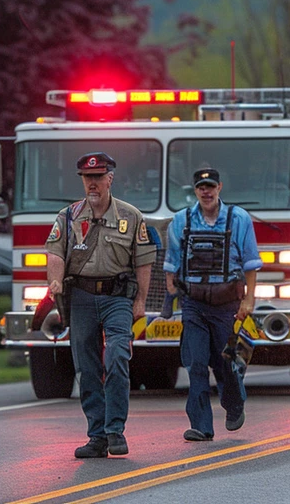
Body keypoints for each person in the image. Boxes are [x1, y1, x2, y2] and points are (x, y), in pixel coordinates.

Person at [45, 152, 156, 459]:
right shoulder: (68, 216)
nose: (92, 183)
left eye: (98, 177)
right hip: (80, 298)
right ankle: (97, 436)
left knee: (118, 357)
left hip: (117, 297)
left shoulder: (130, 217)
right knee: (87, 368)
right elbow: (55, 253)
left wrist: (141, 301)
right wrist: (55, 281)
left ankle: (115, 430)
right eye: (86, 178)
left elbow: (143, 261)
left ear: (110, 178)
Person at [164, 168, 262, 442]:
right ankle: (201, 426)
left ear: (219, 187)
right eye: (200, 187)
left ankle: (234, 402)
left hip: (226, 304)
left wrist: (248, 299)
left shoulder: (239, 218)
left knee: (225, 361)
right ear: (194, 190)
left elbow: (251, 263)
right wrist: (174, 295)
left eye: (210, 186)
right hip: (194, 303)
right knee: (195, 363)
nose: (205, 192)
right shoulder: (181, 220)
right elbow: (171, 264)